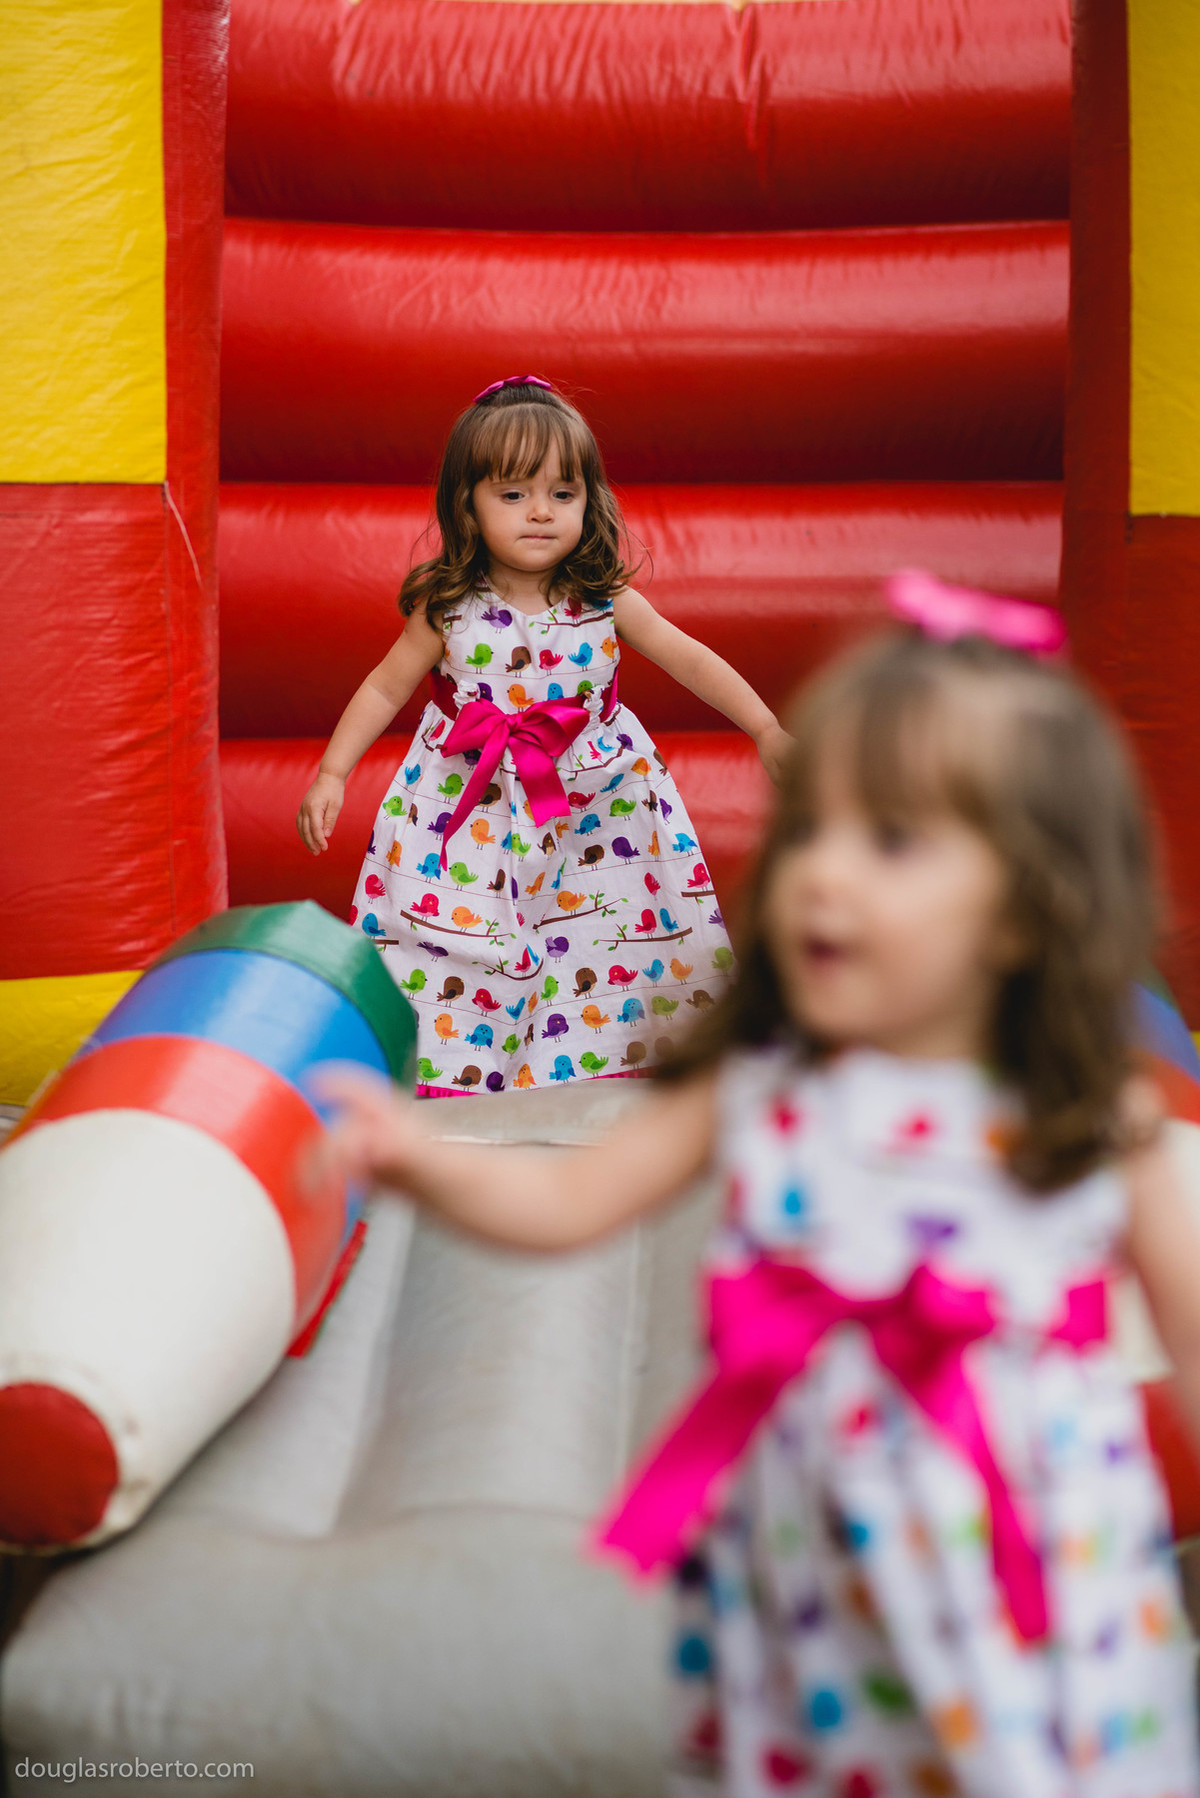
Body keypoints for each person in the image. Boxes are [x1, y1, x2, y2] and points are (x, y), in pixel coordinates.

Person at [310, 577, 1200, 1797]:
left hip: (1033, 1577)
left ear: (1028, 904)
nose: (822, 877)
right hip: (808, 1590)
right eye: (809, 833)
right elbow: (571, 1203)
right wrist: (418, 1159)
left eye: (888, 840)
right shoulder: (766, 1089)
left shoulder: (1102, 1124)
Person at [297, 376, 789, 1096]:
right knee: (465, 942)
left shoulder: (606, 598)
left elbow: (690, 658)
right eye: (514, 493)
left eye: (563, 494)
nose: (540, 513)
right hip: (474, 805)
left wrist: (765, 727)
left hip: (595, 807)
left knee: (606, 932)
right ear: (467, 502)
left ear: (590, 502)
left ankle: (616, 1075)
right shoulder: (448, 606)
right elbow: (384, 685)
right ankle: (452, 1078)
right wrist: (334, 772)